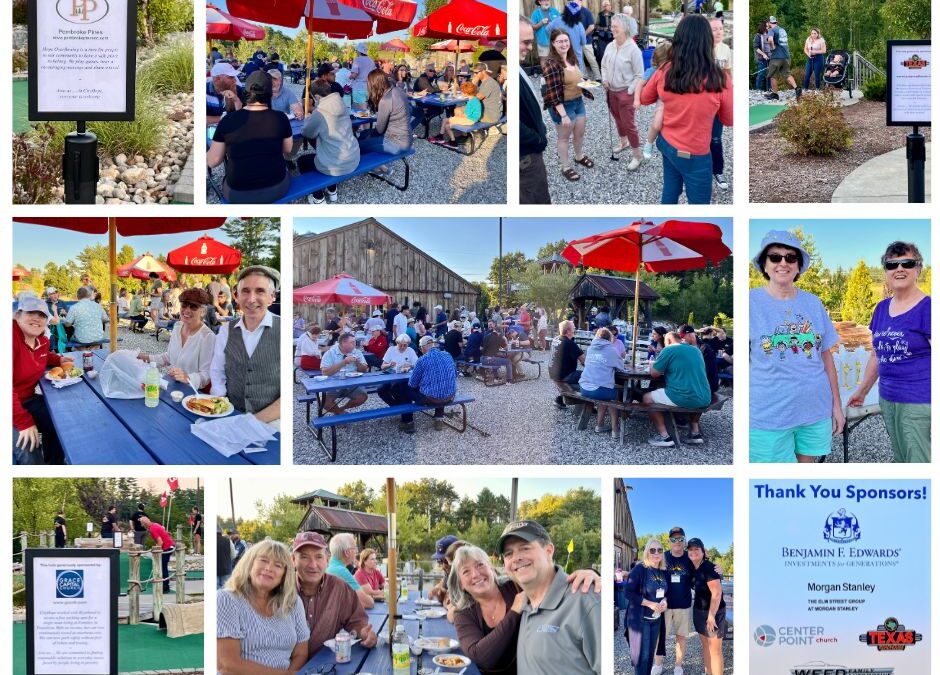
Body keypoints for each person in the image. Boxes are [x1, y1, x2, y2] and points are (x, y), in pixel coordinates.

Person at [749, 230, 844, 462]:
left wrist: (836, 406)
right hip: (768, 414)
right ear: (764, 263)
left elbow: (826, 356)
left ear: (799, 265)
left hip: (814, 409)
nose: (783, 263)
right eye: (775, 257)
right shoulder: (749, 302)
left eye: (791, 257)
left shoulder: (813, 303)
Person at [448, 543, 601, 675]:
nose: (475, 574)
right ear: (461, 583)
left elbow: (547, 577)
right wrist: (514, 612)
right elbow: (481, 656)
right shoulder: (463, 613)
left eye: (480, 565)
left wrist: (589, 573)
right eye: (466, 571)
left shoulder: (516, 585)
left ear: (491, 568)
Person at [848, 242, 930, 462]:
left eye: (907, 263)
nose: (899, 268)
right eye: (892, 264)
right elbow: (876, 354)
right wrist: (862, 391)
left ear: (918, 269)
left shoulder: (928, 308)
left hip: (920, 401)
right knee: (901, 458)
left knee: (920, 461)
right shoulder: (881, 308)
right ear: (886, 271)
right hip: (888, 398)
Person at [639, 14, 732, 204]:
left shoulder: (664, 70)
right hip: (696, 155)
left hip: (668, 145)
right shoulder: (720, 79)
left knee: (669, 194)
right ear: (707, 40)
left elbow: (644, 98)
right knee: (699, 207)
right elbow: (729, 119)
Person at [499, 520, 601, 674]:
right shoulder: (524, 601)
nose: (516, 558)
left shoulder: (586, 601)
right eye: (508, 553)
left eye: (525, 548)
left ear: (549, 550)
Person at [217, 539, 310, 672]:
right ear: (249, 564)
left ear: (285, 574)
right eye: (263, 560)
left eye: (278, 565)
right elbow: (227, 665)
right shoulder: (226, 599)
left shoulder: (292, 602)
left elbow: (300, 653)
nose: (269, 568)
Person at [207, 70, 292, 203]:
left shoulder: (227, 121)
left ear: (247, 90)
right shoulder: (281, 118)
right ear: (269, 92)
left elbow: (212, 162)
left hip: (238, 194)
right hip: (277, 188)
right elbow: (287, 149)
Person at [209, 266, 281, 422]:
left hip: (272, 420)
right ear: (237, 296)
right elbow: (217, 370)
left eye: (260, 291)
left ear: (272, 296)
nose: (251, 299)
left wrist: (253, 422)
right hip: (231, 413)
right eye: (245, 291)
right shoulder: (226, 330)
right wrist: (220, 404)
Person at [292, 531, 377, 656]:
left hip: (326, 664)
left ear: (327, 560)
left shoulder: (339, 587)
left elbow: (356, 621)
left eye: (318, 557)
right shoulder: (282, 589)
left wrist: (365, 633)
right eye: (304, 557)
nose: (313, 565)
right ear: (293, 560)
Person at [13, 297, 70, 464]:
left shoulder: (42, 341)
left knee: (59, 421)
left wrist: (58, 359)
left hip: (27, 400)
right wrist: (24, 422)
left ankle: (55, 466)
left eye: (42, 315)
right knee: (28, 446)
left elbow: (43, 356)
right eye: (31, 312)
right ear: (18, 315)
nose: (37, 318)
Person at [137, 288, 215, 390]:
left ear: (203, 311)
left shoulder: (207, 337)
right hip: (173, 386)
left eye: (194, 306)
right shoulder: (178, 326)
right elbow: (168, 357)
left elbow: (206, 376)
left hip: (192, 395)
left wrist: (187, 378)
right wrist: (144, 358)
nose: (187, 310)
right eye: (184, 305)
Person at [642, 331, 711, 447]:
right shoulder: (696, 350)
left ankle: (664, 437)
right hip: (704, 397)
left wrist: (651, 365)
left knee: (647, 397)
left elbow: (654, 373)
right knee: (692, 393)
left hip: (684, 397)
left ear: (668, 341)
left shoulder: (669, 350)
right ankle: (695, 433)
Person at [543, 28, 592, 182]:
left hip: (578, 101)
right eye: (560, 41)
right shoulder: (551, 65)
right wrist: (563, 114)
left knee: (579, 133)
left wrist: (586, 83)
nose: (564, 44)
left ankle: (579, 156)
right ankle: (565, 167)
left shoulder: (572, 58)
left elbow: (578, 78)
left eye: (566, 40)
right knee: (564, 138)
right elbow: (553, 93)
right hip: (562, 106)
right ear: (553, 43)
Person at [301, 80, 360, 204]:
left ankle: (318, 197)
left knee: (302, 161)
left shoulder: (320, 112)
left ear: (316, 96)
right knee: (326, 148)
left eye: (313, 97)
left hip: (337, 164)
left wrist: (308, 119)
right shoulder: (340, 102)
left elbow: (307, 133)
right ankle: (332, 190)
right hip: (353, 157)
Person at [602, 13, 645, 170]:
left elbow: (639, 75)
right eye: (612, 26)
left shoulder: (633, 50)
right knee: (617, 119)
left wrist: (630, 92)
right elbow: (604, 65)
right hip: (611, 91)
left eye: (615, 27)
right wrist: (604, 79)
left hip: (625, 92)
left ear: (625, 28)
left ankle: (637, 155)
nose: (612, 29)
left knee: (629, 124)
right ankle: (623, 142)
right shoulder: (610, 45)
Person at [624, 539, 668, 675]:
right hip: (641, 620)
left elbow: (666, 592)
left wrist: (665, 601)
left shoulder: (663, 571)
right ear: (647, 552)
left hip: (656, 620)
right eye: (652, 550)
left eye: (659, 550)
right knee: (641, 657)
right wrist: (650, 604)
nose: (656, 553)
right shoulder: (640, 569)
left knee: (649, 656)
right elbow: (628, 592)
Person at [520, 17, 551, 204]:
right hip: (526, 159)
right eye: (525, 42)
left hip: (530, 154)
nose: (530, 47)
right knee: (538, 201)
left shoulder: (518, 68)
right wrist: (537, 138)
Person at [398, 335, 458, 431]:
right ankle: (439, 418)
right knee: (440, 385)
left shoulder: (422, 360)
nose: (421, 350)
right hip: (450, 397)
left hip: (431, 400)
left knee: (403, 387)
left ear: (423, 347)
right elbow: (455, 374)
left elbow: (412, 384)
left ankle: (408, 422)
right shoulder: (447, 355)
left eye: (420, 348)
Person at [687, 538, 727, 675]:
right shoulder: (693, 567)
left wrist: (711, 616)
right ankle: (708, 672)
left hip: (713, 614)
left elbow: (717, 593)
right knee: (705, 646)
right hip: (698, 611)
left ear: (703, 551)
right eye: (690, 549)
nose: (693, 552)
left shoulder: (709, 568)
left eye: (696, 549)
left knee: (715, 651)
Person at [579, 327, 628, 437]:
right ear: (609, 338)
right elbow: (621, 367)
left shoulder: (591, 348)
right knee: (613, 395)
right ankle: (615, 430)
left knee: (604, 391)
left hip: (584, 388)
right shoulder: (611, 350)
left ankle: (599, 425)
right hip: (598, 390)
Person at [358, 70, 413, 161]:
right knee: (364, 133)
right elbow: (410, 110)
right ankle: (376, 164)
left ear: (375, 84)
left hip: (395, 144)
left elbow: (379, 130)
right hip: (407, 139)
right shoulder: (398, 90)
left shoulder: (385, 100)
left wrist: (370, 137)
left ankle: (379, 168)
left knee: (358, 146)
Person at [320, 333, 369, 414]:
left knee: (362, 397)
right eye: (352, 342)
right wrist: (344, 362)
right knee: (324, 401)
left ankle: (341, 410)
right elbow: (325, 372)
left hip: (352, 383)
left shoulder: (357, 352)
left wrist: (358, 362)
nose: (355, 344)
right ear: (343, 343)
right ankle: (341, 413)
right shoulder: (330, 353)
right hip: (333, 383)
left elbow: (364, 370)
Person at [710, 17, 732, 191]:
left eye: (720, 29)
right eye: (714, 29)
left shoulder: (725, 50)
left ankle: (718, 171)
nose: (718, 32)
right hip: (702, 102)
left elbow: (727, 72)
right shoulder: (700, 49)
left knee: (716, 138)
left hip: (718, 101)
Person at [326, 533, 375, 609]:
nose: (356, 551)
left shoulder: (329, 568)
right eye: (355, 548)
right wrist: (370, 597)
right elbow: (368, 603)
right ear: (347, 552)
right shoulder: (341, 571)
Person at [550, 320, 586, 408]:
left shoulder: (556, 339)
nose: (575, 328)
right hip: (565, 375)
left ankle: (560, 399)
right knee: (591, 376)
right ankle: (589, 404)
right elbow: (584, 361)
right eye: (573, 327)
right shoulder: (569, 343)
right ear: (568, 331)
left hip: (553, 374)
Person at [765, 16, 801, 100]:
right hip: (786, 56)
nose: (766, 24)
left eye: (767, 23)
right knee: (787, 74)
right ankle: (797, 89)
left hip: (776, 57)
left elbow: (770, 40)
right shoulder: (782, 30)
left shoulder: (771, 30)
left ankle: (775, 94)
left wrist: (772, 47)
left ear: (769, 23)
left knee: (773, 75)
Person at [548, 2, 590, 73]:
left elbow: (547, 29)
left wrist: (555, 38)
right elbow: (583, 42)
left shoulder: (557, 20)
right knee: (578, 80)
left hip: (559, 56)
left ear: (565, 10)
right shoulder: (579, 25)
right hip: (576, 58)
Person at [678, 324, 718, 394]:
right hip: (697, 383)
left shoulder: (705, 349)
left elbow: (703, 371)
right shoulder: (687, 348)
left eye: (681, 336)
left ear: (690, 335)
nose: (680, 340)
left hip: (707, 386)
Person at [139, 516, 174, 593]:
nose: (142, 526)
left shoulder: (152, 529)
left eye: (142, 524)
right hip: (169, 546)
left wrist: (155, 550)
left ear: (145, 523)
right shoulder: (155, 524)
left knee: (162, 566)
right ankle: (164, 585)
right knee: (163, 566)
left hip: (167, 547)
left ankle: (165, 587)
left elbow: (160, 542)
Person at [577, 0, 602, 79]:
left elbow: (591, 26)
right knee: (580, 60)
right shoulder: (572, 13)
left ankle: (598, 77)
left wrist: (582, 35)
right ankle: (584, 76)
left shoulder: (586, 12)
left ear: (581, 2)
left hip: (586, 40)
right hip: (576, 41)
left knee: (591, 59)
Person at [531, 0, 561, 65]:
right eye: (544, 0)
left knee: (557, 58)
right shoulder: (535, 13)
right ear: (540, 2)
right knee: (544, 59)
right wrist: (541, 23)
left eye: (548, 0)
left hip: (556, 40)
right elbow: (533, 27)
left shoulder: (554, 11)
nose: (547, 2)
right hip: (543, 41)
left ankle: (556, 73)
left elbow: (561, 23)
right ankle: (546, 75)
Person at [349, 42, 376, 110]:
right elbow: (374, 74)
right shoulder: (371, 60)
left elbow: (354, 74)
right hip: (369, 87)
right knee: (368, 109)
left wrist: (349, 76)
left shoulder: (357, 60)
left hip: (359, 88)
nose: (356, 52)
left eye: (356, 51)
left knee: (360, 111)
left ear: (359, 51)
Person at [753, 20, 770, 91]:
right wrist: (763, 54)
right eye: (766, 26)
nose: (768, 27)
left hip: (769, 57)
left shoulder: (769, 34)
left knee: (770, 74)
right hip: (761, 58)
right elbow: (756, 47)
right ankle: (758, 89)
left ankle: (769, 89)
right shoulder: (758, 36)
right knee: (761, 73)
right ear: (763, 27)